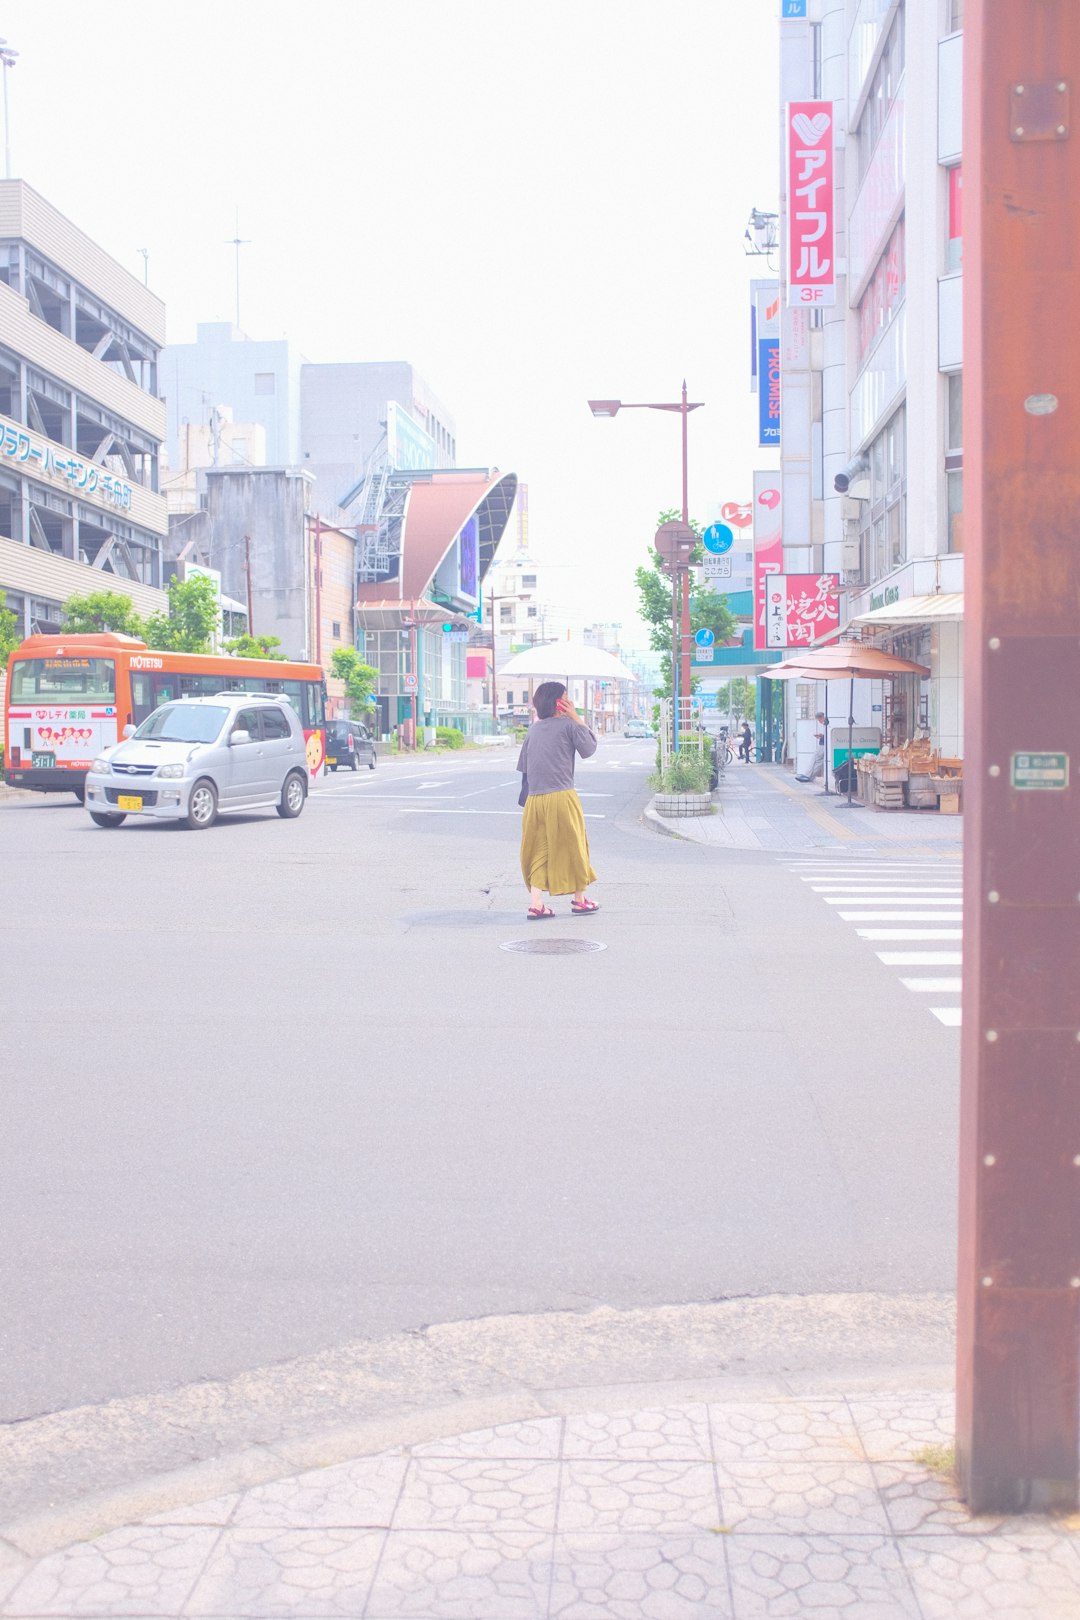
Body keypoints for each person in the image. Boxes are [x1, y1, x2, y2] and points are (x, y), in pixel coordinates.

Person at [516, 681, 599, 920]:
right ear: (559, 703)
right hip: (562, 796)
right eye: (566, 698)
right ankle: (579, 900)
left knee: (539, 850)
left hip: (534, 800)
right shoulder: (568, 726)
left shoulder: (533, 730)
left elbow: (525, 767)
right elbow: (589, 748)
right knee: (575, 846)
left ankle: (536, 904)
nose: (569, 702)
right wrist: (576, 717)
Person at [797, 712, 827, 782]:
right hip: (823, 744)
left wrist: (822, 736)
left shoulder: (826, 724)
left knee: (816, 759)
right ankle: (809, 776)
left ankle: (808, 775)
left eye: (819, 720)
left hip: (823, 745)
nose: (819, 722)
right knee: (818, 761)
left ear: (821, 717)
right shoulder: (826, 724)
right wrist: (821, 735)